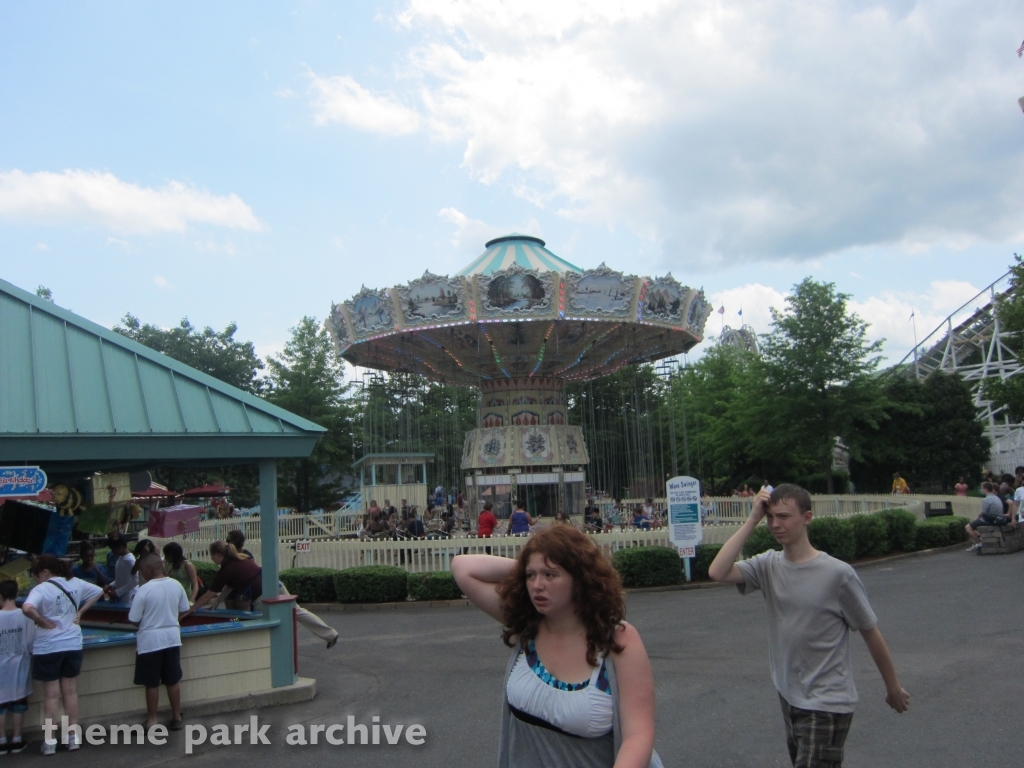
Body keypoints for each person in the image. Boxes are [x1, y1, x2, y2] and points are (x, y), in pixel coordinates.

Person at [709, 485, 910, 768]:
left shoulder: (837, 574)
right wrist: (752, 518)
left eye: (784, 516)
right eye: (770, 517)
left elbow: (869, 630)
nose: (775, 524)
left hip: (826, 702)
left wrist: (893, 687)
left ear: (807, 517)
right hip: (790, 695)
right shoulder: (768, 565)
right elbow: (717, 571)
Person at [451, 526, 661, 767]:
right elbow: (462, 567)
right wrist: (533, 564)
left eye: (550, 575)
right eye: (531, 576)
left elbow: (638, 736)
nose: (537, 585)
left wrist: (565, 564)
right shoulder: (527, 625)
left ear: (580, 579)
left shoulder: (619, 641)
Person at [22, 555, 104, 755]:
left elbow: (26, 608)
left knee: (51, 695)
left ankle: (49, 742)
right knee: (70, 692)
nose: (35, 580)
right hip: (72, 643)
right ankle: (72, 738)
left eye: (36, 575)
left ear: (45, 572)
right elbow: (100, 590)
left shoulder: (41, 589)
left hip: (48, 645)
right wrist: (80, 612)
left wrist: (40, 620)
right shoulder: (74, 582)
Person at [226, 532, 339, 649]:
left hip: (261, 593)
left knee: (257, 618)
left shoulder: (232, 560)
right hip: (275, 583)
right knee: (297, 611)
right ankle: (330, 634)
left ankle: (266, 649)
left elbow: (233, 584)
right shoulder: (247, 555)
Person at [128, 554, 188, 730]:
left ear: (148, 569)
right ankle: (177, 717)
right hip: (172, 638)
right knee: (172, 679)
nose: (141, 574)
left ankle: (152, 720)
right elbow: (184, 609)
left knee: (152, 682)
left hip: (150, 641)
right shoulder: (176, 585)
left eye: (141, 570)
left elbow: (134, 618)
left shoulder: (144, 590)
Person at [0, 580, 34, 754]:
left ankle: (1, 740)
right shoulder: (25, 615)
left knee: (1, 704)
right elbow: (30, 642)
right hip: (20, 664)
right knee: (19, 702)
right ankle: (17, 738)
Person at [183, 541, 262, 615]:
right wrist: (217, 601)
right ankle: (236, 620)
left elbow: (207, 596)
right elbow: (230, 585)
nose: (211, 558)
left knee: (258, 620)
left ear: (218, 555)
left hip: (259, 594)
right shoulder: (236, 560)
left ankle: (238, 622)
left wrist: (190, 610)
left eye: (212, 556)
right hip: (265, 587)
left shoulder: (226, 570)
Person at [965, 481, 1011, 552]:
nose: (981, 490)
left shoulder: (986, 500)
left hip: (990, 520)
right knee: (975, 525)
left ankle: (980, 543)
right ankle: (980, 541)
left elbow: (982, 514)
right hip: (998, 518)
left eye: (981, 488)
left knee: (968, 527)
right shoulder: (996, 497)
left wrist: (974, 520)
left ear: (986, 489)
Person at [103, 535, 137, 605]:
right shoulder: (121, 558)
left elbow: (135, 580)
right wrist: (111, 585)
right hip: (122, 597)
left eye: (113, 549)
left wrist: (118, 592)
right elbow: (122, 578)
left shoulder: (130, 561)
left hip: (129, 597)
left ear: (121, 547)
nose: (112, 551)